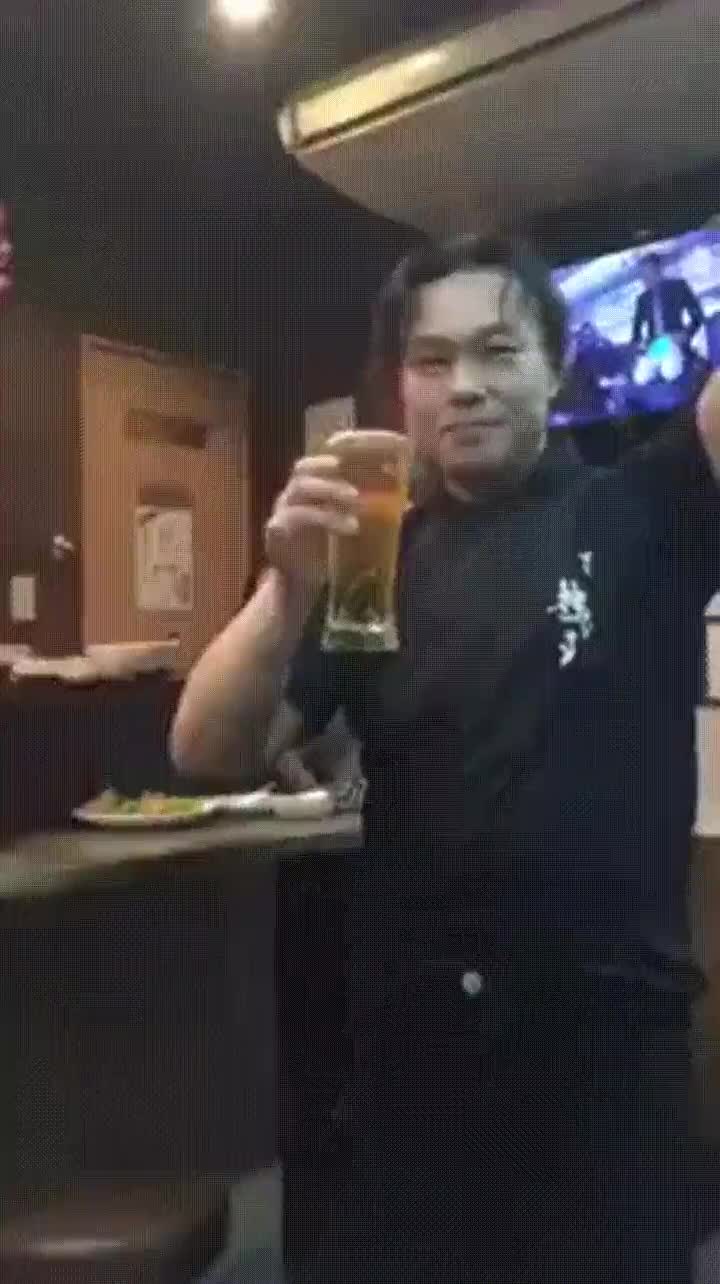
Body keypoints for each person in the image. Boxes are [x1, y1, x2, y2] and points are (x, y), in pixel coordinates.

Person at [171, 235, 720, 1283]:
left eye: (498, 350)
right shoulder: (373, 562)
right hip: (413, 1064)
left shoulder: (645, 508)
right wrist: (285, 589)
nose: (463, 384)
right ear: (403, 392)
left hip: (601, 1067)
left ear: (557, 367)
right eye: (432, 360)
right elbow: (207, 748)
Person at [632, 251, 705, 383]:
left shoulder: (678, 287)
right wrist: (640, 347)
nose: (645, 279)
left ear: (658, 270)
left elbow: (698, 317)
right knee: (640, 378)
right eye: (642, 275)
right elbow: (636, 332)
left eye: (648, 273)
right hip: (656, 345)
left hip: (674, 339)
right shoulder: (642, 299)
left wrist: (685, 334)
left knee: (670, 371)